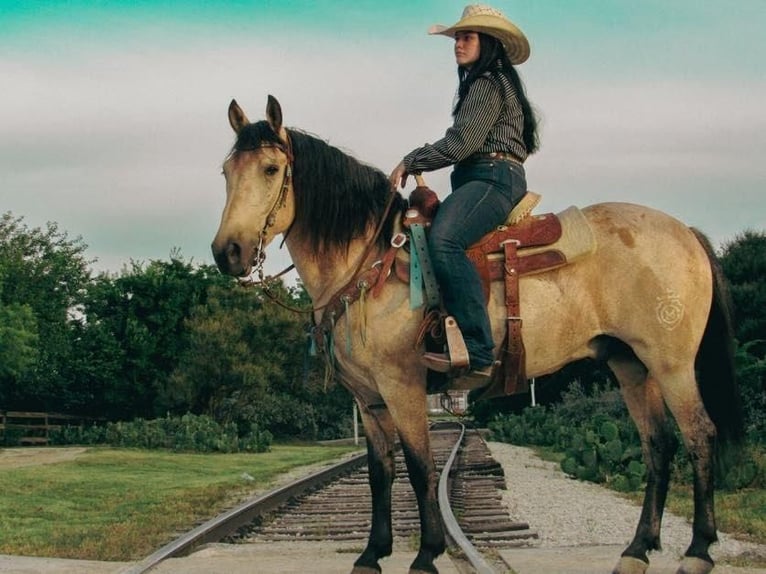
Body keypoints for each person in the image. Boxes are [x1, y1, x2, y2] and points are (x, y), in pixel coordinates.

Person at [389, 4, 540, 379]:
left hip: (492, 178)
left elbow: (461, 143)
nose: (458, 44)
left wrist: (412, 160)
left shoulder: (488, 82)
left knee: (443, 241)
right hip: (486, 175)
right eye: (457, 37)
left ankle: (478, 348)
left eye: (467, 37)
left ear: (488, 43)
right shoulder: (490, 82)